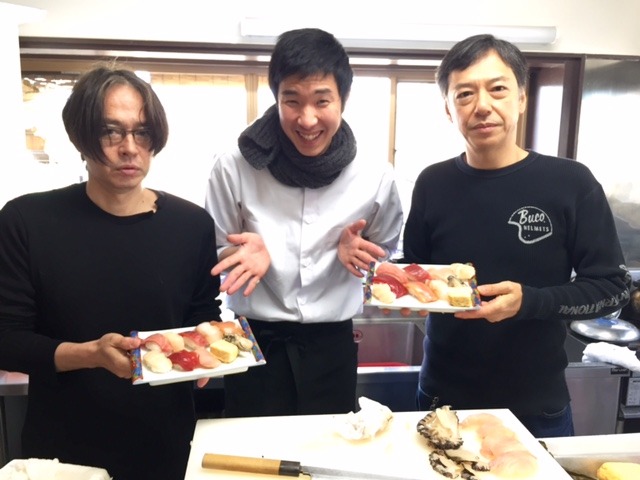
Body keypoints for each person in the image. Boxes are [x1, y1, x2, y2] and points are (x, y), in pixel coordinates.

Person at [0, 65, 222, 479]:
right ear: (80, 137)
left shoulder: (191, 225)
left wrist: (208, 351)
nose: (129, 148)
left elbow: (202, 314)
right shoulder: (26, 221)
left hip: (165, 444)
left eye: (142, 133)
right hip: (62, 451)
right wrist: (91, 355)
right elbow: (7, 341)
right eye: (110, 132)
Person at [403, 34, 630, 438]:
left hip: (535, 404)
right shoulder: (432, 183)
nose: (482, 105)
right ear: (449, 109)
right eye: (465, 94)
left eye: (497, 89)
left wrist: (530, 301)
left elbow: (613, 288)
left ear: (521, 98)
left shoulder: (570, 183)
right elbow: (417, 271)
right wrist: (389, 278)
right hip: (442, 398)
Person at [205, 28, 403, 417]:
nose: (307, 119)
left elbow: (384, 253)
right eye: (291, 101)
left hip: (332, 347)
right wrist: (239, 253)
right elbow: (214, 249)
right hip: (255, 342)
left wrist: (359, 254)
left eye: (322, 101)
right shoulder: (234, 166)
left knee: (329, 447)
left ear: (343, 99)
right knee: (252, 448)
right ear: (276, 98)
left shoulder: (375, 175)